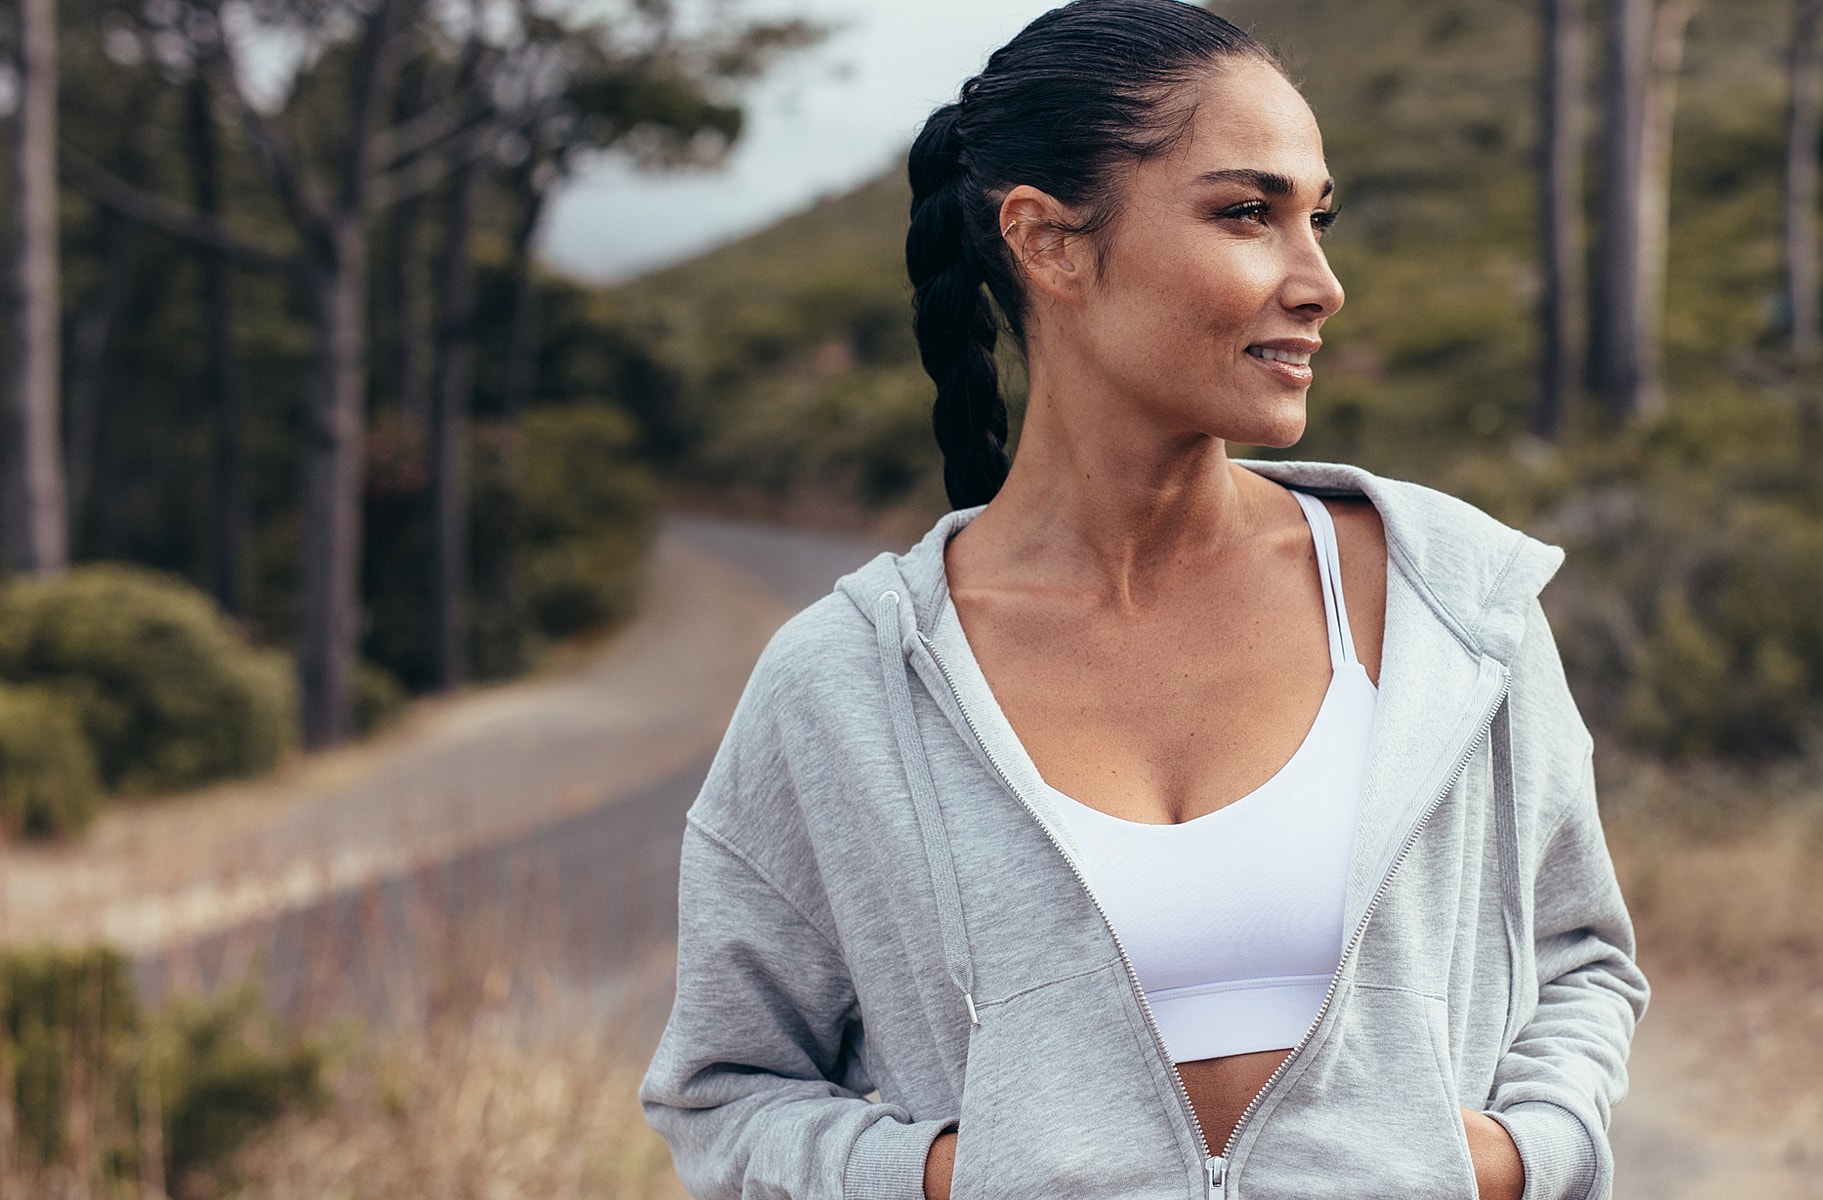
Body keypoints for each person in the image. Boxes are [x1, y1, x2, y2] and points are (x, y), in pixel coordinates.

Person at [638, 2, 1648, 1197]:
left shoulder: (1448, 607)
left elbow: (1578, 959)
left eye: (1315, 218)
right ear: (1048, 242)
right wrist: (948, 1181)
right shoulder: (847, 683)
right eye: (1245, 214)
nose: (1318, 281)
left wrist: (1510, 1160)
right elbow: (726, 1094)